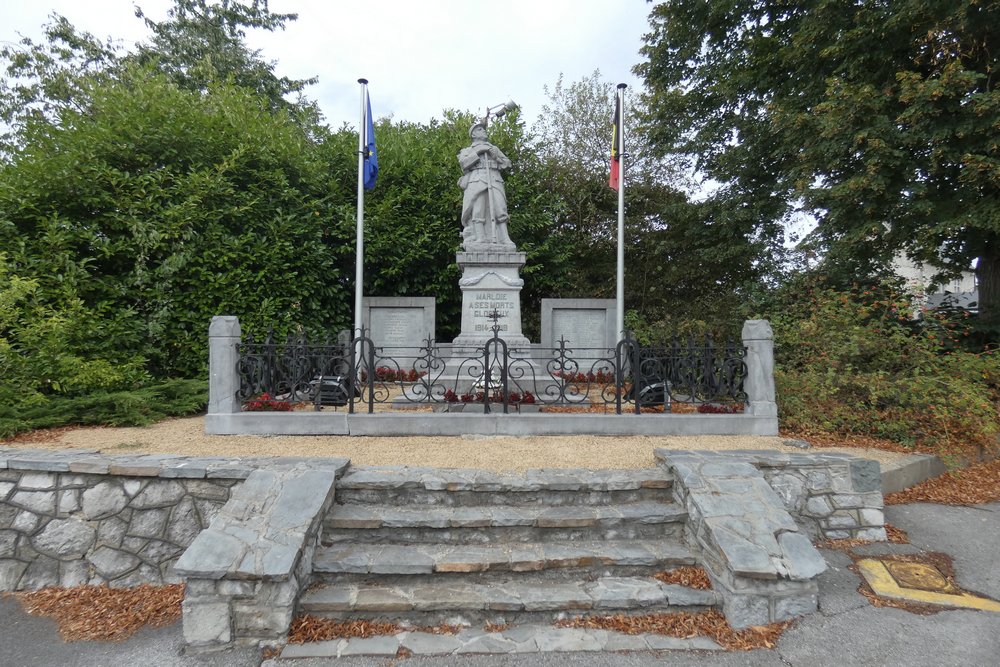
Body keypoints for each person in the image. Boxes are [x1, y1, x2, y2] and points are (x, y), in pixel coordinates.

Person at [458, 122, 514, 249]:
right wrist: (479, 151)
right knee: (478, 209)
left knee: (500, 208)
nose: (483, 131)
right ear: (473, 134)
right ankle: (480, 238)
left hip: (494, 178)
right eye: (480, 129)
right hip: (476, 180)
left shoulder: (494, 148)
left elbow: (507, 164)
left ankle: (505, 238)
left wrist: (496, 157)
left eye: (483, 129)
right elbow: (464, 164)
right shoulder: (467, 150)